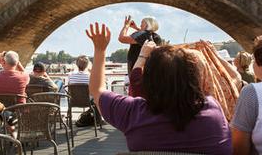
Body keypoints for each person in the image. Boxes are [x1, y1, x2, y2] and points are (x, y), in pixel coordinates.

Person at [87, 22, 232, 154]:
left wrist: (100, 50)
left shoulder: (133, 112)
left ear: (148, 80)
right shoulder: (213, 111)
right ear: (192, 79)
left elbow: (96, 90)